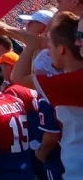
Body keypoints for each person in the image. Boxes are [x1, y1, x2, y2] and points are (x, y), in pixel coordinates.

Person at [30, 11, 83, 179]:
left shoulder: (73, 81)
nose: (78, 42)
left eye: (81, 35)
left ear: (60, 49)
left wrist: (35, 42)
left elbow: (17, 76)